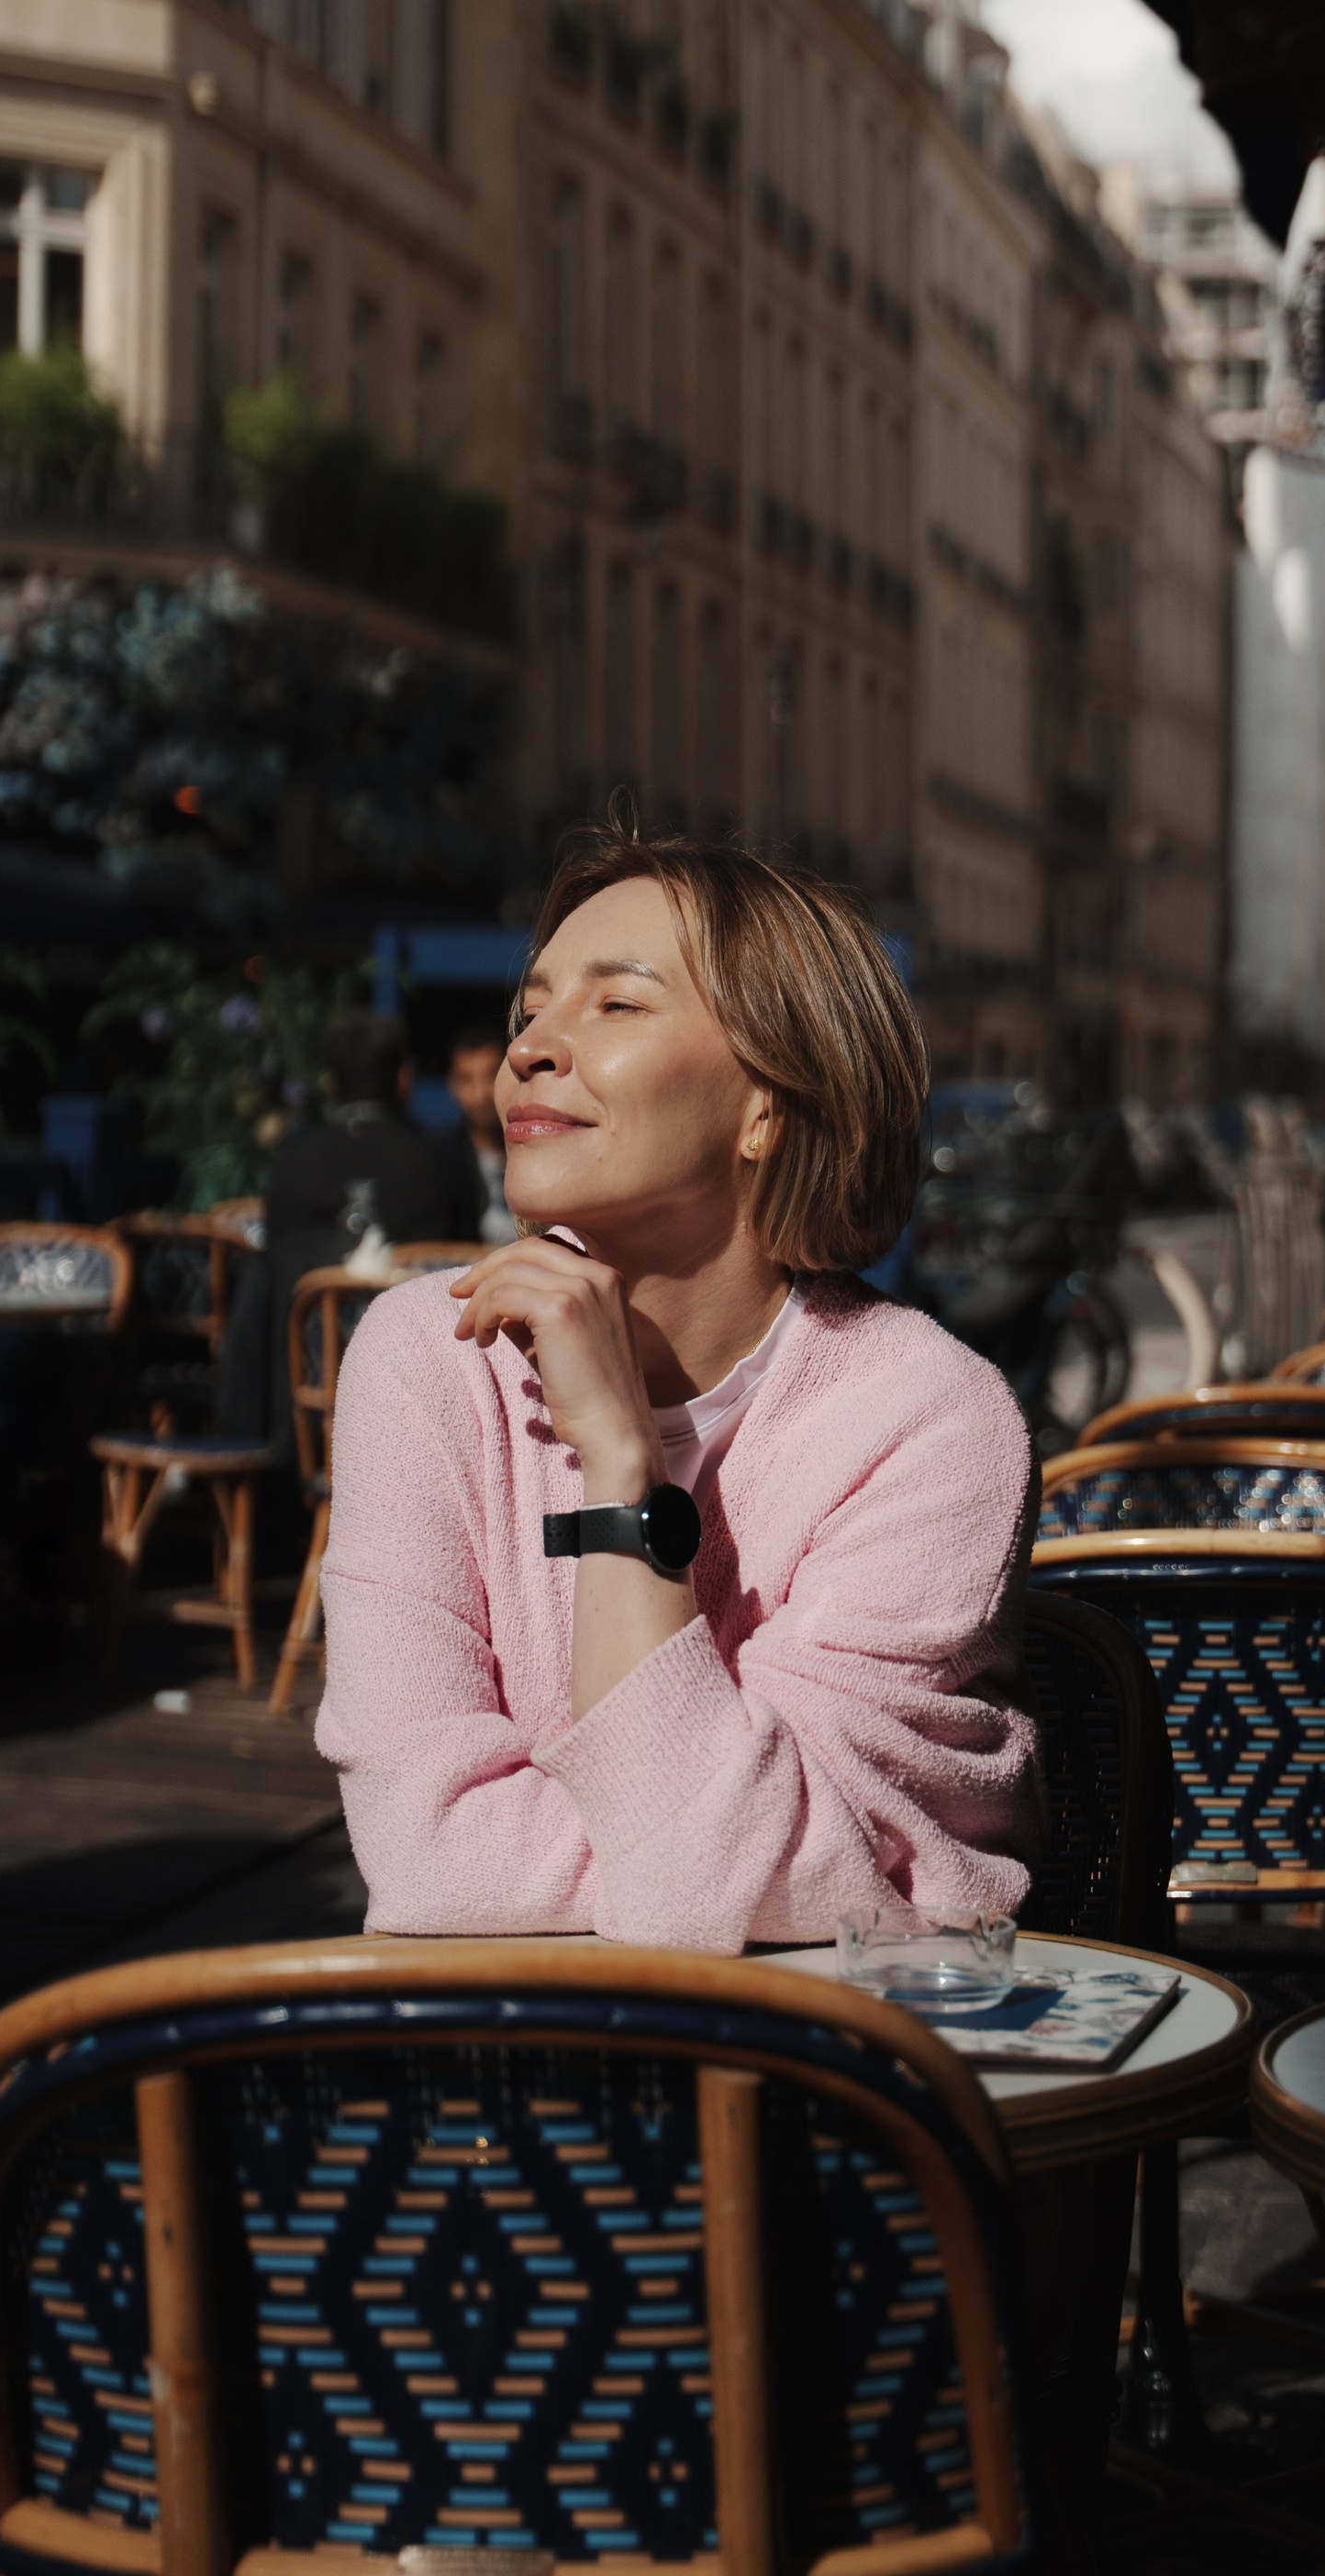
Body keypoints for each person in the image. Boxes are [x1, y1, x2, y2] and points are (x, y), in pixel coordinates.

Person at [317, 827, 1042, 1950]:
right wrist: (753, 1858)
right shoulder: (426, 1356)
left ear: (769, 1103)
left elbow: (717, 1881)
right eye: (532, 1009)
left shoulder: (926, 1419)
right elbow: (427, 1859)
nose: (530, 1051)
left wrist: (620, 1469)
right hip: (509, 2072)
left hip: (839, 2078)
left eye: (616, 1006)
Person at [219, 1010, 476, 1448]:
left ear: (329, 1083)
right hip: (415, 1414)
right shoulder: (439, 1168)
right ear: (403, 1079)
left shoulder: (294, 1166)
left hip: (301, 1412)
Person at [445, 1020, 519, 1243]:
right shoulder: (442, 1163)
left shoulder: (541, 1151)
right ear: (452, 1086)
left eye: (490, 1076)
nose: (480, 1095)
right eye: (466, 1080)